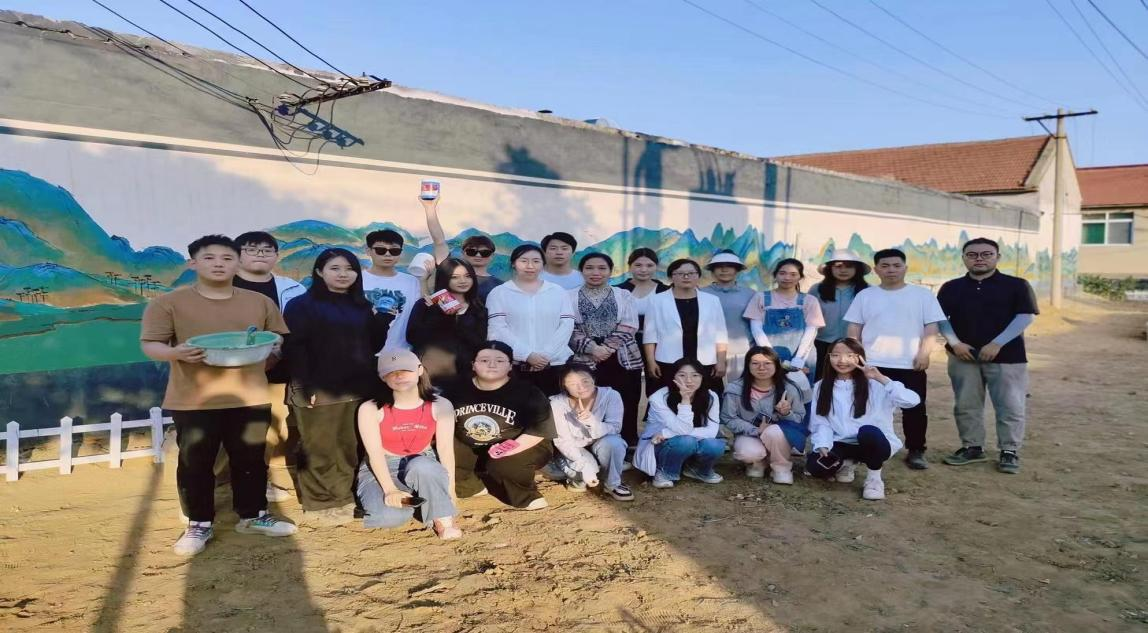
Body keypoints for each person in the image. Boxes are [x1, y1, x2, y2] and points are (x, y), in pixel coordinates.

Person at [140, 234, 295, 556]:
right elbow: (151, 344)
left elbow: (276, 338)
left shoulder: (259, 302)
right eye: (209, 258)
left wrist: (272, 352)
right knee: (195, 462)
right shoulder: (169, 303)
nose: (219, 264)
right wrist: (176, 353)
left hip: (250, 396)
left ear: (238, 263)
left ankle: (253, 515)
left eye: (227, 258)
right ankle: (199, 523)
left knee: (251, 459)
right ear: (192, 263)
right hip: (194, 399)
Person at [283, 248, 392, 526]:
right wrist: (304, 386)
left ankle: (344, 497)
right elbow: (295, 349)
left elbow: (373, 345)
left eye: (349, 268)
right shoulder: (301, 305)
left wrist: (382, 321)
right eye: (335, 268)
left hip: (358, 387)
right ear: (319, 272)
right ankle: (320, 503)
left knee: (350, 446)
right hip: (319, 389)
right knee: (319, 448)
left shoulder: (361, 305)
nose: (343, 274)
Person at [937, 238, 1038, 474]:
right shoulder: (951, 287)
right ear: (964, 258)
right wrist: (955, 343)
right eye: (972, 255)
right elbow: (940, 318)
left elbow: (1025, 316)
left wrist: (997, 343)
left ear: (997, 257)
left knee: (1010, 405)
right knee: (966, 404)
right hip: (963, 357)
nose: (979, 259)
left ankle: (1009, 450)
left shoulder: (1017, 285)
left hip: (1007, 357)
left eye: (986, 254)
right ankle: (972, 447)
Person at [844, 248, 945, 471]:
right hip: (872, 363)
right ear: (876, 269)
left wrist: (924, 353)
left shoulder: (922, 296)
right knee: (866, 406)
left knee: (914, 408)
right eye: (885, 266)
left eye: (897, 265)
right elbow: (854, 328)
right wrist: (854, 355)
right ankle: (861, 446)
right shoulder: (865, 296)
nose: (891, 270)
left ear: (905, 268)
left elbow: (931, 328)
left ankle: (916, 449)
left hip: (910, 363)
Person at [355, 349, 462, 539]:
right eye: (391, 372)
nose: (399, 376)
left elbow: (445, 450)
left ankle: (442, 516)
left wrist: (450, 490)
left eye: (406, 370)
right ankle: (425, 500)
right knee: (389, 517)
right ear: (382, 377)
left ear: (419, 370)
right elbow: (375, 454)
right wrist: (390, 489)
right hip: (385, 464)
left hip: (422, 460)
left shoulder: (441, 404)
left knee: (423, 466)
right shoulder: (370, 408)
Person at [232, 231, 306, 503]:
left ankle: (257, 482)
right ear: (237, 255)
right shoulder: (223, 288)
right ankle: (217, 484)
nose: (260, 254)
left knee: (271, 431)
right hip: (234, 376)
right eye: (252, 249)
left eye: (267, 250)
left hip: (279, 374)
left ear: (276, 256)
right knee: (230, 430)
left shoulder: (292, 288)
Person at [445, 341, 556, 510]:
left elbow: (539, 430)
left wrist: (509, 449)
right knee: (443, 446)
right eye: (484, 360)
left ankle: (524, 495)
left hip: (522, 445)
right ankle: (469, 485)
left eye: (499, 360)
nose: (492, 365)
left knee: (504, 463)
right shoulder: (454, 390)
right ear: (473, 365)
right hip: (473, 446)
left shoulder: (528, 392)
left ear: (510, 366)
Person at [806, 338, 920, 501]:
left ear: (860, 357)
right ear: (828, 357)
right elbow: (820, 420)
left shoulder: (876, 384)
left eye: (850, 355)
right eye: (835, 355)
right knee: (815, 467)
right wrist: (823, 443)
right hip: (841, 442)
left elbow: (911, 401)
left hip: (872, 442)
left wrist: (881, 379)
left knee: (868, 432)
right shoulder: (822, 386)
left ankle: (874, 479)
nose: (842, 360)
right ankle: (847, 462)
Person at [568, 253, 643, 447]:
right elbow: (568, 327)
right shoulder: (569, 296)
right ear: (581, 271)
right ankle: (589, 443)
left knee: (627, 400)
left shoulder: (623, 295)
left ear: (610, 271)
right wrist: (593, 348)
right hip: (585, 358)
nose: (596, 272)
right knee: (589, 400)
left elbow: (630, 324)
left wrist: (608, 348)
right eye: (589, 268)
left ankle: (627, 443)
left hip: (621, 357)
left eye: (602, 268)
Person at [486, 244, 575, 396]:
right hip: (514, 367)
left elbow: (566, 326)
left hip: (554, 366)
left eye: (536, 261)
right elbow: (497, 329)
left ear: (543, 264)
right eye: (524, 261)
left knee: (553, 407)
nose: (530, 266)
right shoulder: (499, 293)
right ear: (513, 263)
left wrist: (545, 356)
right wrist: (527, 355)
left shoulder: (558, 292)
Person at [721, 346, 806, 484]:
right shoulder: (735, 389)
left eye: (767, 363)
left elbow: (800, 419)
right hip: (749, 434)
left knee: (774, 432)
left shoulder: (790, 388)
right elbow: (728, 417)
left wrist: (786, 413)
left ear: (776, 365)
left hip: (779, 437)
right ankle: (758, 463)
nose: (761, 368)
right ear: (747, 365)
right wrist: (754, 430)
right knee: (747, 453)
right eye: (755, 363)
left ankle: (781, 468)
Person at [643, 258, 728, 395]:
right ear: (671, 277)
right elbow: (650, 335)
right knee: (668, 397)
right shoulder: (657, 300)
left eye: (691, 273)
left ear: (698, 276)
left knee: (707, 398)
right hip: (668, 360)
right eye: (680, 273)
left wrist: (721, 361)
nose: (686, 277)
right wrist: (651, 362)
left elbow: (721, 334)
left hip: (705, 360)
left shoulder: (712, 300)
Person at [635, 358, 724, 488]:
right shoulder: (659, 397)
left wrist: (666, 433)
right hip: (657, 445)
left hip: (678, 440)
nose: (689, 380)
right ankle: (664, 472)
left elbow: (712, 431)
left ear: (702, 377)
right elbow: (682, 429)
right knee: (685, 441)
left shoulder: (711, 396)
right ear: (673, 377)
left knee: (715, 445)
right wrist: (685, 400)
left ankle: (698, 470)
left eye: (695, 375)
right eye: (682, 375)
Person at [549, 365, 634, 501]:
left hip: (600, 441)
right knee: (584, 475)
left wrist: (591, 421)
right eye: (572, 384)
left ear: (593, 379)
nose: (581, 387)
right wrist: (586, 467)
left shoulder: (611, 395)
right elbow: (563, 441)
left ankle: (613, 483)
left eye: (585, 381)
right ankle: (576, 479)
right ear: (564, 386)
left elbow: (615, 428)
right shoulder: (556, 403)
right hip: (574, 447)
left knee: (614, 443)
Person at [744, 258, 825, 398]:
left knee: (800, 396)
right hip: (767, 356)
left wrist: (798, 360)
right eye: (782, 273)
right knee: (768, 394)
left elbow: (811, 331)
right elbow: (756, 330)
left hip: (802, 356)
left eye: (793, 274)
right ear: (775, 275)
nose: (787, 278)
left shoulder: (809, 300)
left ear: (800, 277)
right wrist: (771, 358)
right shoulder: (761, 298)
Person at [406, 257, 488, 386]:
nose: (463, 281)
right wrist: (440, 314)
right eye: (454, 277)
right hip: (428, 375)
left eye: (467, 276)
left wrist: (456, 318)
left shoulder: (478, 309)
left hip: (464, 377)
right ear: (444, 279)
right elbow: (413, 337)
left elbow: (479, 343)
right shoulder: (426, 305)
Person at [615, 247, 670, 400]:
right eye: (638, 265)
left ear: (656, 267)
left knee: (657, 385)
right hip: (625, 344)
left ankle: (654, 414)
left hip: (657, 344)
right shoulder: (618, 290)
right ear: (630, 266)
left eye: (649, 265)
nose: (644, 270)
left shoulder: (665, 291)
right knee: (627, 387)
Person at [808, 249, 870, 375]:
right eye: (838, 266)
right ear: (830, 268)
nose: (843, 270)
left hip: (856, 344)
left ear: (857, 269)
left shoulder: (867, 290)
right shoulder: (817, 289)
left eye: (849, 266)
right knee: (822, 377)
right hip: (822, 343)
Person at [362, 229, 423, 350]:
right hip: (362, 352)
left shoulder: (412, 282)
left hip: (400, 353)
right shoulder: (357, 279)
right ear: (368, 251)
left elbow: (420, 315)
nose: (388, 254)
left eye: (394, 251)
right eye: (381, 250)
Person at [701, 250, 755, 384]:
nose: (724, 270)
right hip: (707, 353)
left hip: (741, 352)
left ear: (737, 270)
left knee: (737, 391)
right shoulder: (701, 293)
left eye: (729, 266)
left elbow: (757, 325)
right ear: (712, 270)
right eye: (719, 266)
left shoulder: (750, 294)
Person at [460, 234, 504, 300]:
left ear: (492, 256)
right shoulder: (449, 278)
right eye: (471, 251)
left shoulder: (500, 285)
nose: (478, 255)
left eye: (485, 252)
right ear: (463, 253)